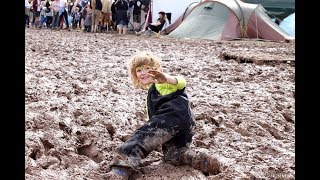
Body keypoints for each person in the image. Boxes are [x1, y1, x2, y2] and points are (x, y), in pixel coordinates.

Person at [104, 52, 221, 180]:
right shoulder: (154, 88)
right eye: (139, 70)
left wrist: (165, 78)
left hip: (171, 118)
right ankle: (198, 159)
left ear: (156, 70)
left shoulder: (162, 83)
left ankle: (121, 168)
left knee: (141, 137)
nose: (143, 73)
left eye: (147, 68)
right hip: (185, 122)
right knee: (174, 155)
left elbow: (181, 82)